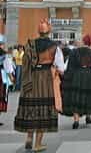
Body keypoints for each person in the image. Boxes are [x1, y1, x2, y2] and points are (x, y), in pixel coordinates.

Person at [14, 19, 65, 152]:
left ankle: (29, 138)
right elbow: (60, 67)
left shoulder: (30, 44)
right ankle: (38, 143)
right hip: (46, 79)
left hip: (32, 77)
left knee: (32, 107)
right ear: (49, 31)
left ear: (39, 31)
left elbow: (25, 62)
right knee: (43, 109)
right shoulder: (55, 47)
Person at [61, 34, 91, 129]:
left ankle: (76, 120)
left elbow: (66, 67)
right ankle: (88, 116)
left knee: (77, 96)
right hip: (90, 76)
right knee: (89, 96)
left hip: (77, 75)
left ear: (83, 41)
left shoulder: (74, 52)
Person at [0, 35, 15, 126]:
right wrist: (12, 78)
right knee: (1, 96)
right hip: (1, 77)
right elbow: (8, 68)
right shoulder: (4, 56)